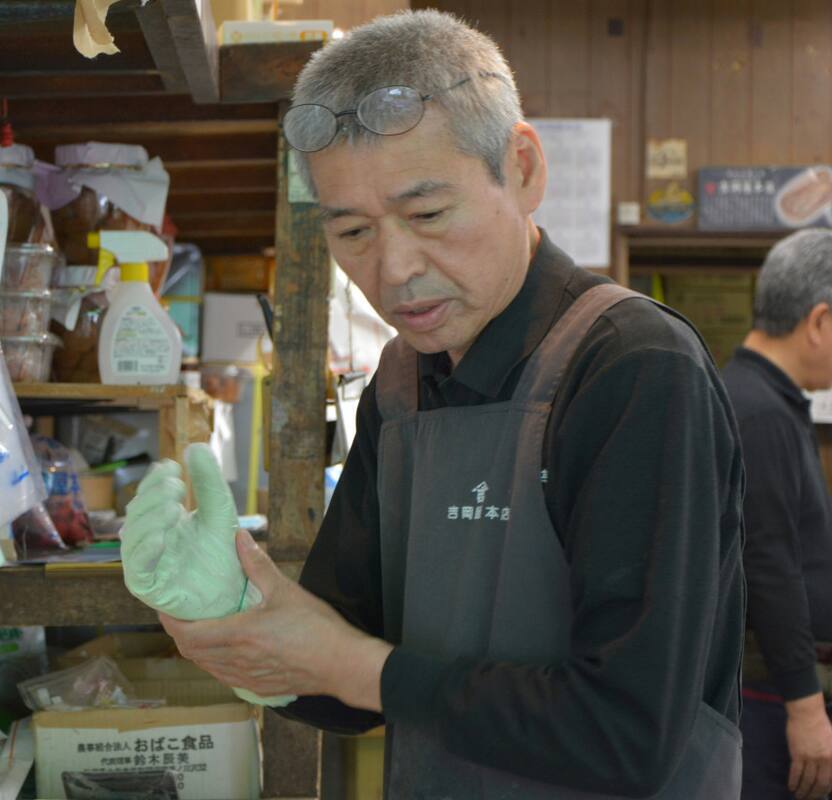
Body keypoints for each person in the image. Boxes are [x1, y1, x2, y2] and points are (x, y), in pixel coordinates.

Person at [147, 10, 746, 797]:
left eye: (427, 215)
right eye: (353, 230)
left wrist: (354, 666)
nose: (393, 269)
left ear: (523, 169)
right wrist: (240, 620)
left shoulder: (632, 367)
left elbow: (627, 734)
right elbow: (344, 674)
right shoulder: (401, 383)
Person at [724, 229, 832, 800]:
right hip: (769, 698)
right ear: (818, 322)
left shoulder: (771, 399)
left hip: (777, 692)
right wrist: (807, 708)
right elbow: (768, 564)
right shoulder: (758, 410)